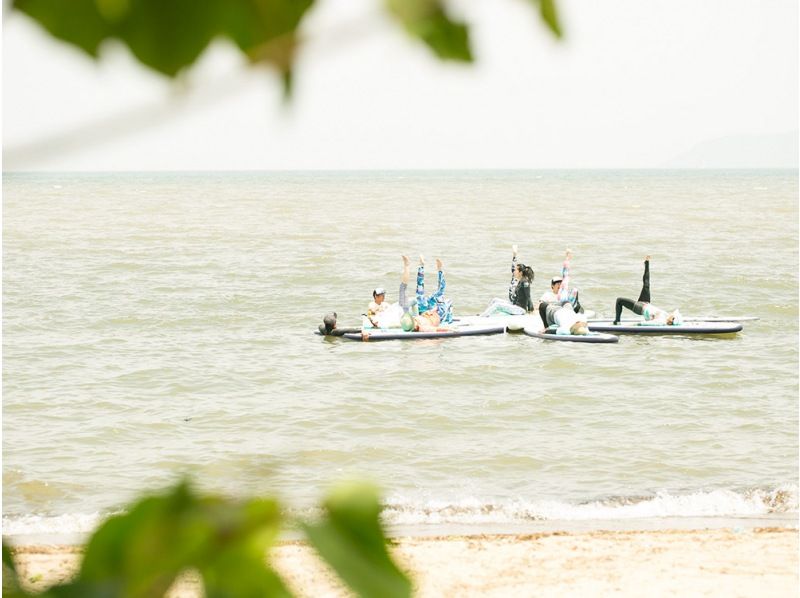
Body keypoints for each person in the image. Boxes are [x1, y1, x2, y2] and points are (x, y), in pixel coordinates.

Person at [613, 256, 683, 325]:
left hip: (640, 308)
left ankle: (617, 321)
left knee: (619, 300)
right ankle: (646, 263)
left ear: (672, 320)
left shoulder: (661, 321)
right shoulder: (666, 315)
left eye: (673, 316)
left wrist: (638, 324)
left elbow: (646, 324)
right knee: (647, 284)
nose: (672, 314)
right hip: (646, 303)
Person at [481, 245, 535, 316]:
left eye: (516, 270)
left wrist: (531, 311)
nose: (514, 271)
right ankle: (485, 314)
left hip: (520, 309)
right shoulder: (518, 280)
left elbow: (528, 297)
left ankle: (482, 317)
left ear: (520, 272)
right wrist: (514, 254)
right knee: (495, 300)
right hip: (514, 305)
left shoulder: (525, 282)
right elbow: (512, 269)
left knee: (497, 305)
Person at [415, 255, 454, 324]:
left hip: (425, 312)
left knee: (420, 292)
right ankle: (440, 270)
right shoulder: (441, 313)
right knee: (440, 293)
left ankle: (422, 266)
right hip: (435, 315)